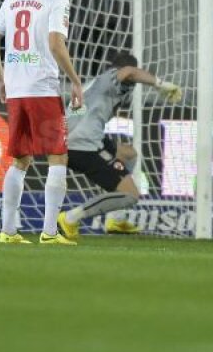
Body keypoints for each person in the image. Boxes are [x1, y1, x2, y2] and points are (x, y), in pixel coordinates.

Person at [0, 0, 85, 246]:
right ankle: (50, 233)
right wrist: (76, 81)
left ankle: (8, 231)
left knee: (20, 160)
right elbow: (56, 44)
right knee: (58, 157)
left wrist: (2, 79)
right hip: (42, 87)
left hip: (16, 90)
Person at [55, 50, 182, 240]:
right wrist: (161, 85)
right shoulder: (112, 78)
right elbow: (130, 71)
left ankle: (116, 219)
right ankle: (70, 218)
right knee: (130, 195)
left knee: (128, 154)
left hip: (77, 138)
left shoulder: (97, 83)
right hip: (82, 145)